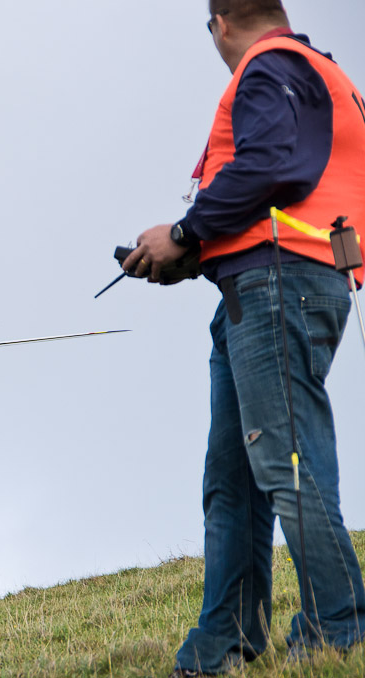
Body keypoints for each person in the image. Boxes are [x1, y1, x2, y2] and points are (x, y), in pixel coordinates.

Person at [122, 1, 365, 675]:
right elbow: (285, 188)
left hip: (277, 290)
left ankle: (338, 627)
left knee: (288, 465)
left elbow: (270, 167)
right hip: (270, 283)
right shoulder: (324, 73)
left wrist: (181, 234)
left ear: (222, 22)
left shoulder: (270, 69)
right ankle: (222, 643)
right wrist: (190, 257)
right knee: (234, 479)